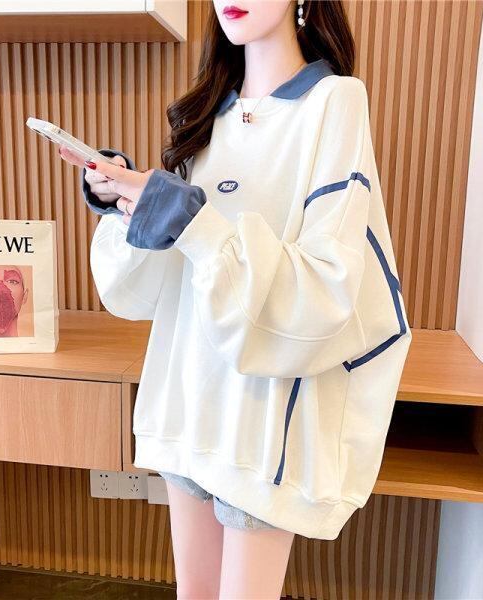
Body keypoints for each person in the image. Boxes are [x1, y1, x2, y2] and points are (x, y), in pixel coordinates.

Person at [58, 1, 412, 597]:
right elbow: (154, 288)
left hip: (262, 414)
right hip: (186, 397)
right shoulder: (206, 116)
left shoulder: (334, 101)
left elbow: (328, 282)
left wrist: (189, 217)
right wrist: (130, 203)